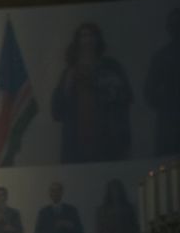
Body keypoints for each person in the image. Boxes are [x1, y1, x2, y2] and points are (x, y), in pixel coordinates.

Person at [51, 23, 133, 164]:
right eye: (83, 36)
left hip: (108, 140)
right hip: (77, 143)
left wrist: (110, 87)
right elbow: (57, 111)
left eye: (91, 35)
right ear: (78, 42)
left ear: (97, 39)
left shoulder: (111, 67)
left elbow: (127, 96)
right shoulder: (69, 72)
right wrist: (67, 87)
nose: (87, 40)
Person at [144, 8, 180, 156]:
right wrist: (167, 101)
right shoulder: (162, 57)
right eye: (174, 25)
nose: (177, 29)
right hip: (169, 121)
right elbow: (149, 91)